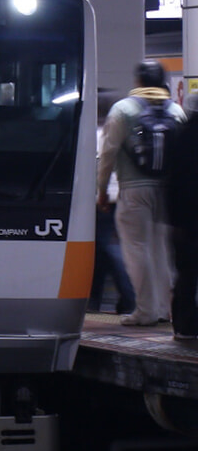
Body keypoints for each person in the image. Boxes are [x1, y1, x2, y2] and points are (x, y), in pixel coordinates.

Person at [97, 61, 187, 326]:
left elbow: (108, 155)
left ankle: (145, 311)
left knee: (137, 249)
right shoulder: (177, 111)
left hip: (134, 191)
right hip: (167, 191)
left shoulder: (123, 110)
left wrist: (102, 190)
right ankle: (162, 308)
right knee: (163, 251)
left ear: (137, 81)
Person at [89, 93, 135, 314]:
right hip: (123, 197)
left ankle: (129, 298)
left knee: (108, 247)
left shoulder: (93, 135)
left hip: (102, 199)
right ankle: (93, 300)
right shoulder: (118, 134)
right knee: (100, 250)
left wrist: (101, 193)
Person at [166, 91, 198, 339]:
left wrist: (174, 220)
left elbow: (174, 183)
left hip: (185, 221)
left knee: (186, 274)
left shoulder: (180, 136)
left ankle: (184, 326)